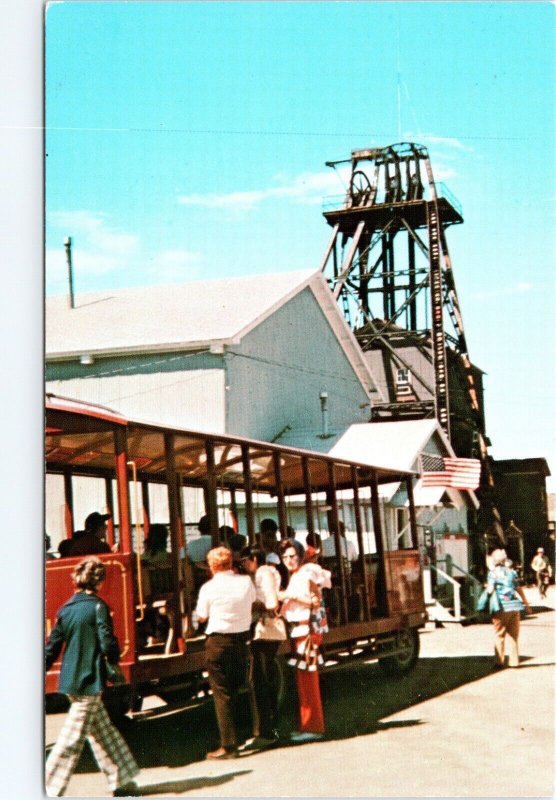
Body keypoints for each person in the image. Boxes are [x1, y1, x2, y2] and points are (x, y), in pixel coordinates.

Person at [45, 557, 140, 797]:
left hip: (70, 680)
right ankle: (48, 787)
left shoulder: (65, 609)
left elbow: (53, 646)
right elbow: (107, 641)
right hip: (90, 679)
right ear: (98, 581)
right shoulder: (98, 606)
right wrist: (114, 660)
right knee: (71, 739)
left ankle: (123, 779)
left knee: (103, 732)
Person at [195, 546, 256, 759]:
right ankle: (244, 734)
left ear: (212, 566)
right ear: (231, 563)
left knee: (222, 694)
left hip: (218, 642)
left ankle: (229, 746)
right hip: (241, 640)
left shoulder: (208, 588)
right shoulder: (246, 582)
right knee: (238, 688)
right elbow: (252, 601)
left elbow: (201, 616)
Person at [279, 538, 331, 742]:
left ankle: (314, 726)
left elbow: (315, 602)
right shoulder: (299, 574)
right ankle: (308, 725)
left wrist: (288, 597)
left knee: (308, 679)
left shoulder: (307, 573)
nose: (288, 560)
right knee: (304, 679)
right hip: (300, 629)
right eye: (285, 557)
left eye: (292, 556)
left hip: (306, 629)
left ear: (300, 555)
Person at [240, 546, 282, 750]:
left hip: (265, 630)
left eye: (245, 561)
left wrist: (253, 605)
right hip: (262, 630)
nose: (243, 565)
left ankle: (266, 731)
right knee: (261, 678)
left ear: (254, 559)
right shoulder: (263, 573)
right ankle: (268, 728)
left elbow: (272, 602)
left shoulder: (264, 573)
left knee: (259, 680)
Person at [486, 548, 532, 669]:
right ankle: (514, 661)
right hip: (514, 606)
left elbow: (490, 590)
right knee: (513, 636)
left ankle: (499, 661)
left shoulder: (492, 573)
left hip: (500, 607)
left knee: (499, 635)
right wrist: (526, 605)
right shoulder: (512, 572)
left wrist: (486, 589)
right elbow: (519, 589)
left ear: (494, 561)